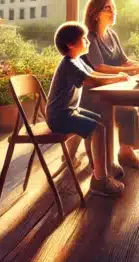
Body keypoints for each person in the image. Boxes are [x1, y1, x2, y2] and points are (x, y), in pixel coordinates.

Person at [46, 22, 129, 196]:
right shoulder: (69, 64)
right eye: (83, 39)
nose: (88, 41)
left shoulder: (76, 60)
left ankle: (103, 165)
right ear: (70, 44)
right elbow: (93, 80)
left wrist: (116, 76)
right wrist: (118, 79)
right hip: (60, 117)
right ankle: (100, 180)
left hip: (69, 111)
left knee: (101, 121)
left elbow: (95, 74)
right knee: (97, 129)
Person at [80, 0, 139, 173]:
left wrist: (136, 65)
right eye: (108, 8)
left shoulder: (112, 34)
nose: (113, 12)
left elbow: (123, 60)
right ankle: (102, 163)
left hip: (111, 90)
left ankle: (126, 153)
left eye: (114, 8)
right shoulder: (90, 36)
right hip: (91, 95)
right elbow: (99, 66)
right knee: (123, 111)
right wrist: (126, 71)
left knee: (130, 111)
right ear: (95, 14)